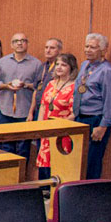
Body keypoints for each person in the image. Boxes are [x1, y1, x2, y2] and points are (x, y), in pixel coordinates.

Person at [74, 33, 111, 179]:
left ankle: (89, 198)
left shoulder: (107, 71)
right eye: (86, 46)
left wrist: (103, 126)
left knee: (91, 162)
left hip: (96, 121)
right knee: (78, 161)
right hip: (80, 118)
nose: (88, 50)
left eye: (93, 47)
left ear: (103, 50)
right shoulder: (84, 65)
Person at [0, 32, 42, 160]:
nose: (19, 43)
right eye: (16, 41)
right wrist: (5, 86)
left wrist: (25, 85)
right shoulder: (3, 61)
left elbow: (39, 87)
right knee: (6, 146)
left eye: (23, 40)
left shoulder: (36, 64)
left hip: (25, 111)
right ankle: (9, 175)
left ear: (27, 43)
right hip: (5, 110)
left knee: (23, 147)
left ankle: (21, 177)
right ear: (11, 44)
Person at [35, 53, 78, 181]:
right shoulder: (51, 84)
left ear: (71, 68)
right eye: (57, 64)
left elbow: (74, 113)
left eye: (63, 65)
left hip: (61, 132)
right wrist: (39, 126)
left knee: (58, 162)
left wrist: (58, 126)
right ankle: (45, 190)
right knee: (44, 161)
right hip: (46, 130)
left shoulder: (74, 87)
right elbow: (43, 105)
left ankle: (57, 192)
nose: (59, 67)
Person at [31, 37, 63, 118]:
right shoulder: (42, 66)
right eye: (46, 47)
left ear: (59, 50)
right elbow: (36, 90)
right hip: (38, 109)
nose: (48, 50)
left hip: (52, 111)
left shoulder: (61, 68)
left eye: (52, 48)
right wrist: (30, 112)